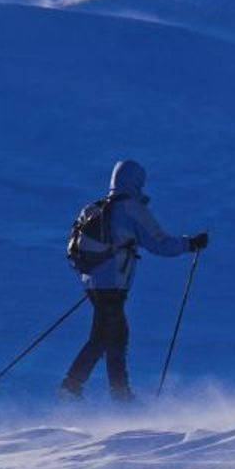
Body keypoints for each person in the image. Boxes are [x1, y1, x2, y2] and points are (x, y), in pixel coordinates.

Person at [60, 159, 207, 401]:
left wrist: (97, 276)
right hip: (113, 284)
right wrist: (190, 244)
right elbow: (159, 243)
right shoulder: (131, 208)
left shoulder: (94, 208)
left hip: (93, 282)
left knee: (115, 335)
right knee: (104, 337)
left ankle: (116, 394)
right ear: (136, 180)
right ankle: (76, 388)